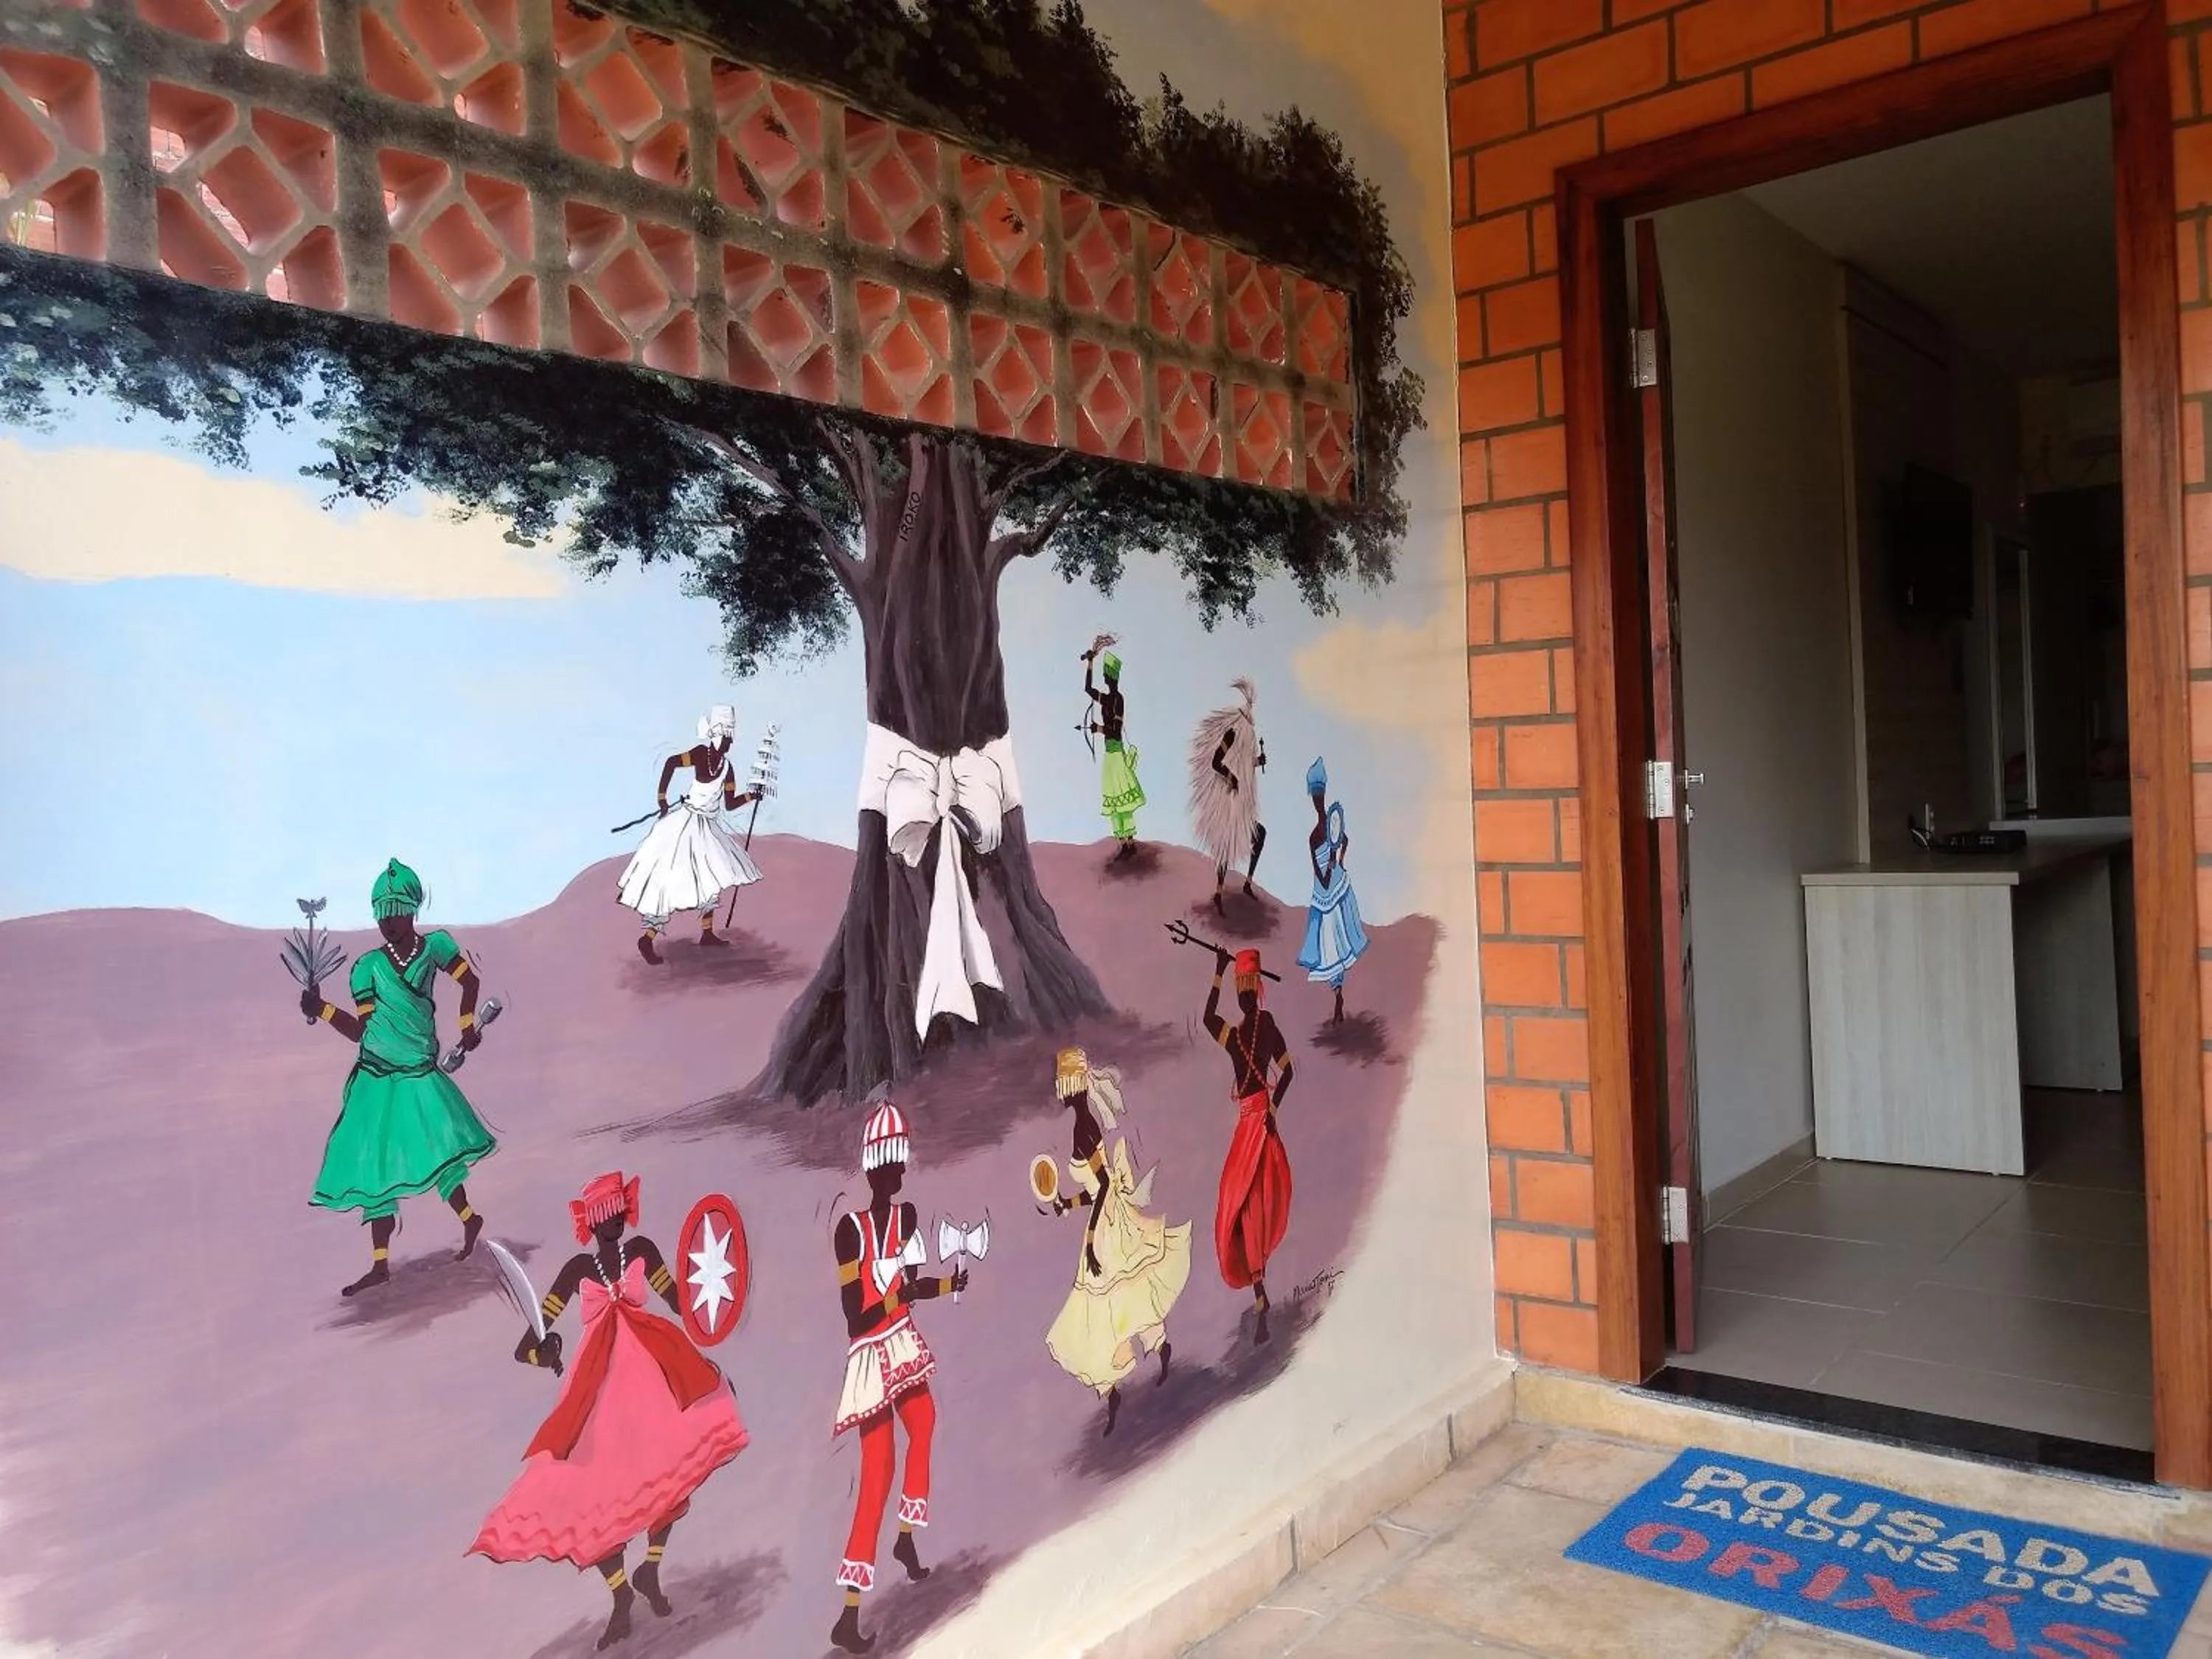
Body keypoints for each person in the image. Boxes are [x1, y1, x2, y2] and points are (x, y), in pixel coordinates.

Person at [470, 1172, 748, 1652]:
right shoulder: (578, 1270)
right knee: (595, 1493)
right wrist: (547, 1352)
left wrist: (714, 1294)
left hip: (656, 1375)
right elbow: (527, 1346)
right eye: (602, 1220)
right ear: (589, 1225)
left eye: (616, 1215)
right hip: (598, 1394)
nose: (611, 1226)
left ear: (625, 1213)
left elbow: (681, 1303)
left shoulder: (642, 1250)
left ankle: (650, 1567)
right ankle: (621, 1594)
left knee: (671, 1471)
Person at [302, 858, 495, 1297]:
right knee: (374, 1171)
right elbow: (360, 1031)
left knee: (441, 1155)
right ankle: (380, 1264)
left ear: (413, 910)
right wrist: (323, 1010)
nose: (389, 920)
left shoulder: (436, 948)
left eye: (397, 909)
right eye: (381, 912)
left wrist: (467, 1022)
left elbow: (469, 983)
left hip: (419, 1071)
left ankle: (470, 1220)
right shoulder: (367, 968)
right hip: (376, 1077)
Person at [830, 1100, 968, 1655]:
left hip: (901, 1343)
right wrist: (895, 1295)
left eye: (902, 1166)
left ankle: (906, 1540)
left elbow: (912, 1283)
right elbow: (853, 1316)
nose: (902, 1175)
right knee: (877, 1477)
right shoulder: (851, 1231)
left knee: (927, 1421)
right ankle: (848, 1611)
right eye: (893, 1168)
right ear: (873, 1170)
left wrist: (948, 1285)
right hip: (870, 1355)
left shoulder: (907, 1218)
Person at [1043, 1048, 1189, 1436]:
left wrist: (1091, 1240)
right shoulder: (1084, 1123)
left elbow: (1104, 1185)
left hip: (1107, 1226)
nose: (1064, 1094)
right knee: (1118, 1297)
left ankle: (1124, 1375)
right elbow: (1095, 1189)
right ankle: (1148, 1355)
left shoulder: (1082, 1126)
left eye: (1065, 1086)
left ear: (1071, 1086)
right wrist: (1066, 1204)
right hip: (1106, 1216)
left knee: (1104, 1302)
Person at [616, 705, 762, 964]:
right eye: (727, 737)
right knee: (668, 880)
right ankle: (648, 938)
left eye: (731, 738)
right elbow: (671, 763)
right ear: (716, 734)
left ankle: (707, 933)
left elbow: (730, 803)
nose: (729, 743)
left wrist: (752, 795)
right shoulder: (699, 754)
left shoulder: (728, 768)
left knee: (712, 876)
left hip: (707, 827)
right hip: (686, 823)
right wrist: (662, 798)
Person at [1201, 947, 1295, 1344]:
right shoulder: (1267, 1025)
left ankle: (1259, 1293)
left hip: (1249, 1126)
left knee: (1239, 1203)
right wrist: (1273, 1106)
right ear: (1258, 989)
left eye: (1241, 986)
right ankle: (1259, 1291)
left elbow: (1207, 1018)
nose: (1244, 994)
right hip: (1264, 1124)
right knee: (1252, 1204)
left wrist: (1218, 971)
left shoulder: (1236, 1037)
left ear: (1245, 991)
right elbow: (1287, 1071)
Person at [1295, 757, 1371, 1025]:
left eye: (1320, 794)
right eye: (1315, 795)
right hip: (1325, 892)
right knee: (1329, 944)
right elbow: (1319, 873)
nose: (1318, 800)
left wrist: (1338, 860)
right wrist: (1331, 864)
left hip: (1335, 887)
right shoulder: (1315, 835)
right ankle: (1337, 994)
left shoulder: (1330, 824)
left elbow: (1342, 844)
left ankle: (1339, 995)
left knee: (1338, 940)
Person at [1187, 678, 1267, 911]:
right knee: (1227, 845)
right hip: (1230, 802)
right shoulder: (1232, 734)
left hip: (1239, 803)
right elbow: (1216, 763)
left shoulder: (1241, 739)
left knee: (1258, 835)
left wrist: (1256, 762)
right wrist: (1231, 777)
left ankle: (1245, 884)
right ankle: (1219, 893)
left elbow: (1241, 761)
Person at [1084, 646, 1144, 858]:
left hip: (1116, 753)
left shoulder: (1117, 699)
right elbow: (1088, 690)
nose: (1107, 680)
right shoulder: (1108, 698)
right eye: (1106, 677)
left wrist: (1098, 728)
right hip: (1110, 756)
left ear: (1113, 678)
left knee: (1121, 798)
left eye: (1107, 676)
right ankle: (1122, 843)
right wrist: (1090, 663)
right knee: (1113, 798)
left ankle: (1129, 843)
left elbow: (1116, 730)